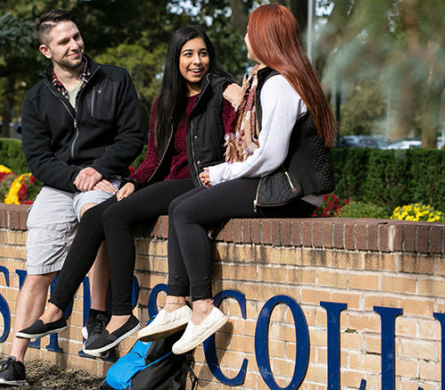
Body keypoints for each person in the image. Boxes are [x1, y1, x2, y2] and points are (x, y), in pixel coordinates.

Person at [16, 27, 237, 357]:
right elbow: (153, 158)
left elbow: (236, 143)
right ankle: (58, 309)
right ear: (175, 59)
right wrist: (134, 181)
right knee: (101, 216)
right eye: (187, 54)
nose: (196, 61)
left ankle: (118, 315)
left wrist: (232, 90)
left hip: (202, 180)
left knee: (115, 215)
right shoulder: (166, 103)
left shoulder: (221, 91)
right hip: (169, 183)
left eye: (203, 53)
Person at [136, 3, 337, 355]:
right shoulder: (280, 77)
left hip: (290, 192)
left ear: (262, 37)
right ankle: (174, 304)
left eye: (249, 29)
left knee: (186, 212)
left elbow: (271, 155)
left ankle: (202, 308)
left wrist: (223, 172)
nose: (244, 35)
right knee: (179, 203)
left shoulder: (279, 83)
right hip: (282, 185)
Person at [0, 9, 143, 387]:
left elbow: (132, 136)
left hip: (105, 177)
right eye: (64, 41)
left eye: (76, 36)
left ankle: (96, 322)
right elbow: (38, 159)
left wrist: (99, 169)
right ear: (46, 50)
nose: (75, 45)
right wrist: (75, 175)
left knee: (100, 216)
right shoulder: (36, 98)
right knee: (38, 265)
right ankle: (15, 361)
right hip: (60, 186)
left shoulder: (115, 79)